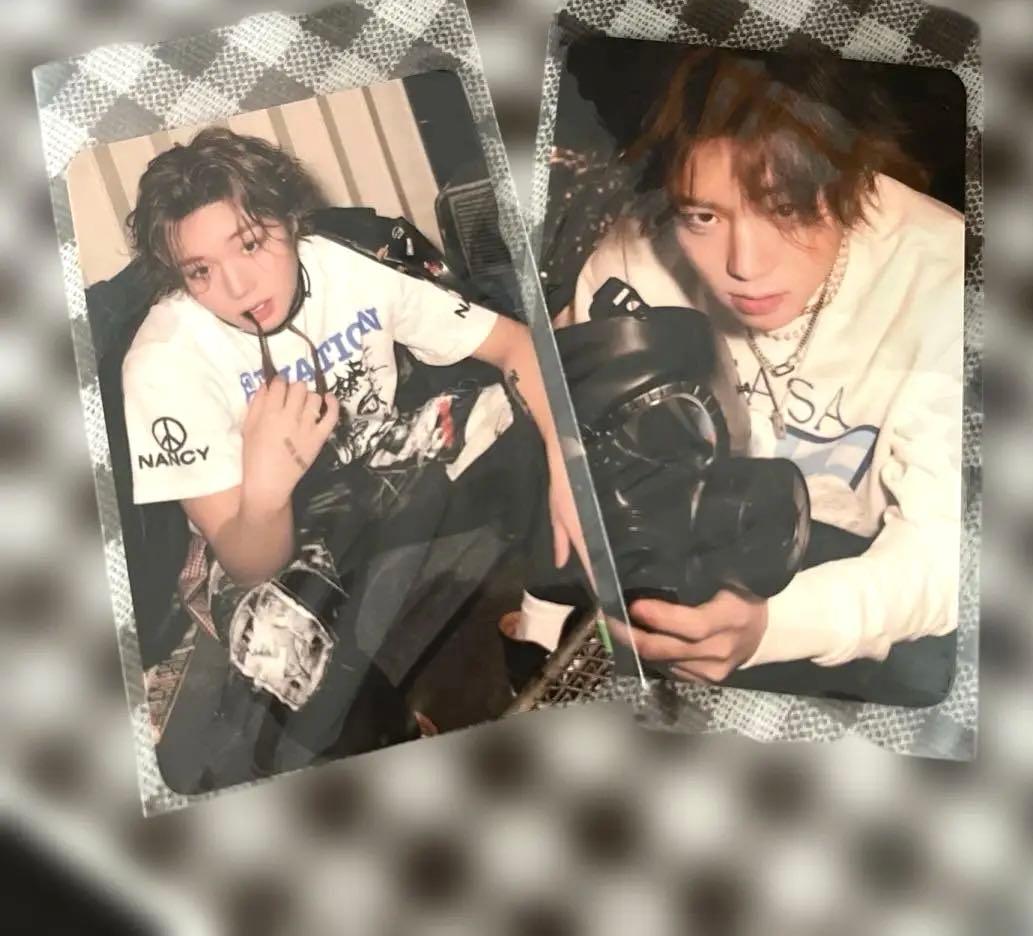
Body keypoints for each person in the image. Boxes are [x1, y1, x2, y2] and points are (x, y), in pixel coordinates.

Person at [121, 126, 584, 777]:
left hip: (385, 460)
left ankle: (541, 625)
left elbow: (516, 345)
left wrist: (567, 465)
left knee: (572, 396)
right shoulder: (163, 361)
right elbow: (247, 560)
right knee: (277, 656)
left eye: (250, 242)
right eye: (201, 270)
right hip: (270, 531)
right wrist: (266, 490)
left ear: (289, 220)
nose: (238, 286)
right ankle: (396, 740)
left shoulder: (342, 264)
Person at [563, 48, 964, 686]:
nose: (744, 267)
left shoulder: (950, 280)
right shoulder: (632, 259)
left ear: (853, 177)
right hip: (692, 555)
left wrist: (775, 627)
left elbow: (952, 551)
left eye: (786, 209)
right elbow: (580, 450)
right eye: (703, 216)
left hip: (863, 588)